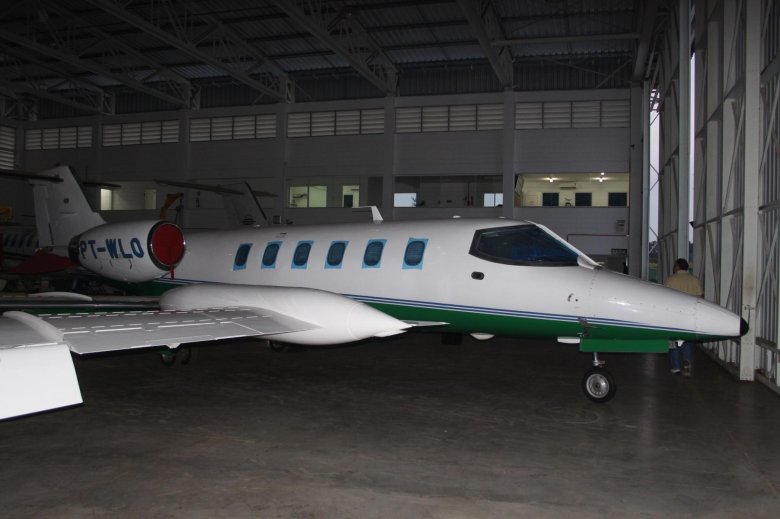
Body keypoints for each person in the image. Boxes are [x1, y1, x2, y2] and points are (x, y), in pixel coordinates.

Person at [664, 258, 704, 376]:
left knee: (674, 342)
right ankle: (687, 363)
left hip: (674, 316)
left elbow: (664, 298)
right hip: (690, 316)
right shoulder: (694, 280)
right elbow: (700, 298)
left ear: (677, 267)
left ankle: (676, 366)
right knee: (688, 341)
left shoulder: (671, 280)